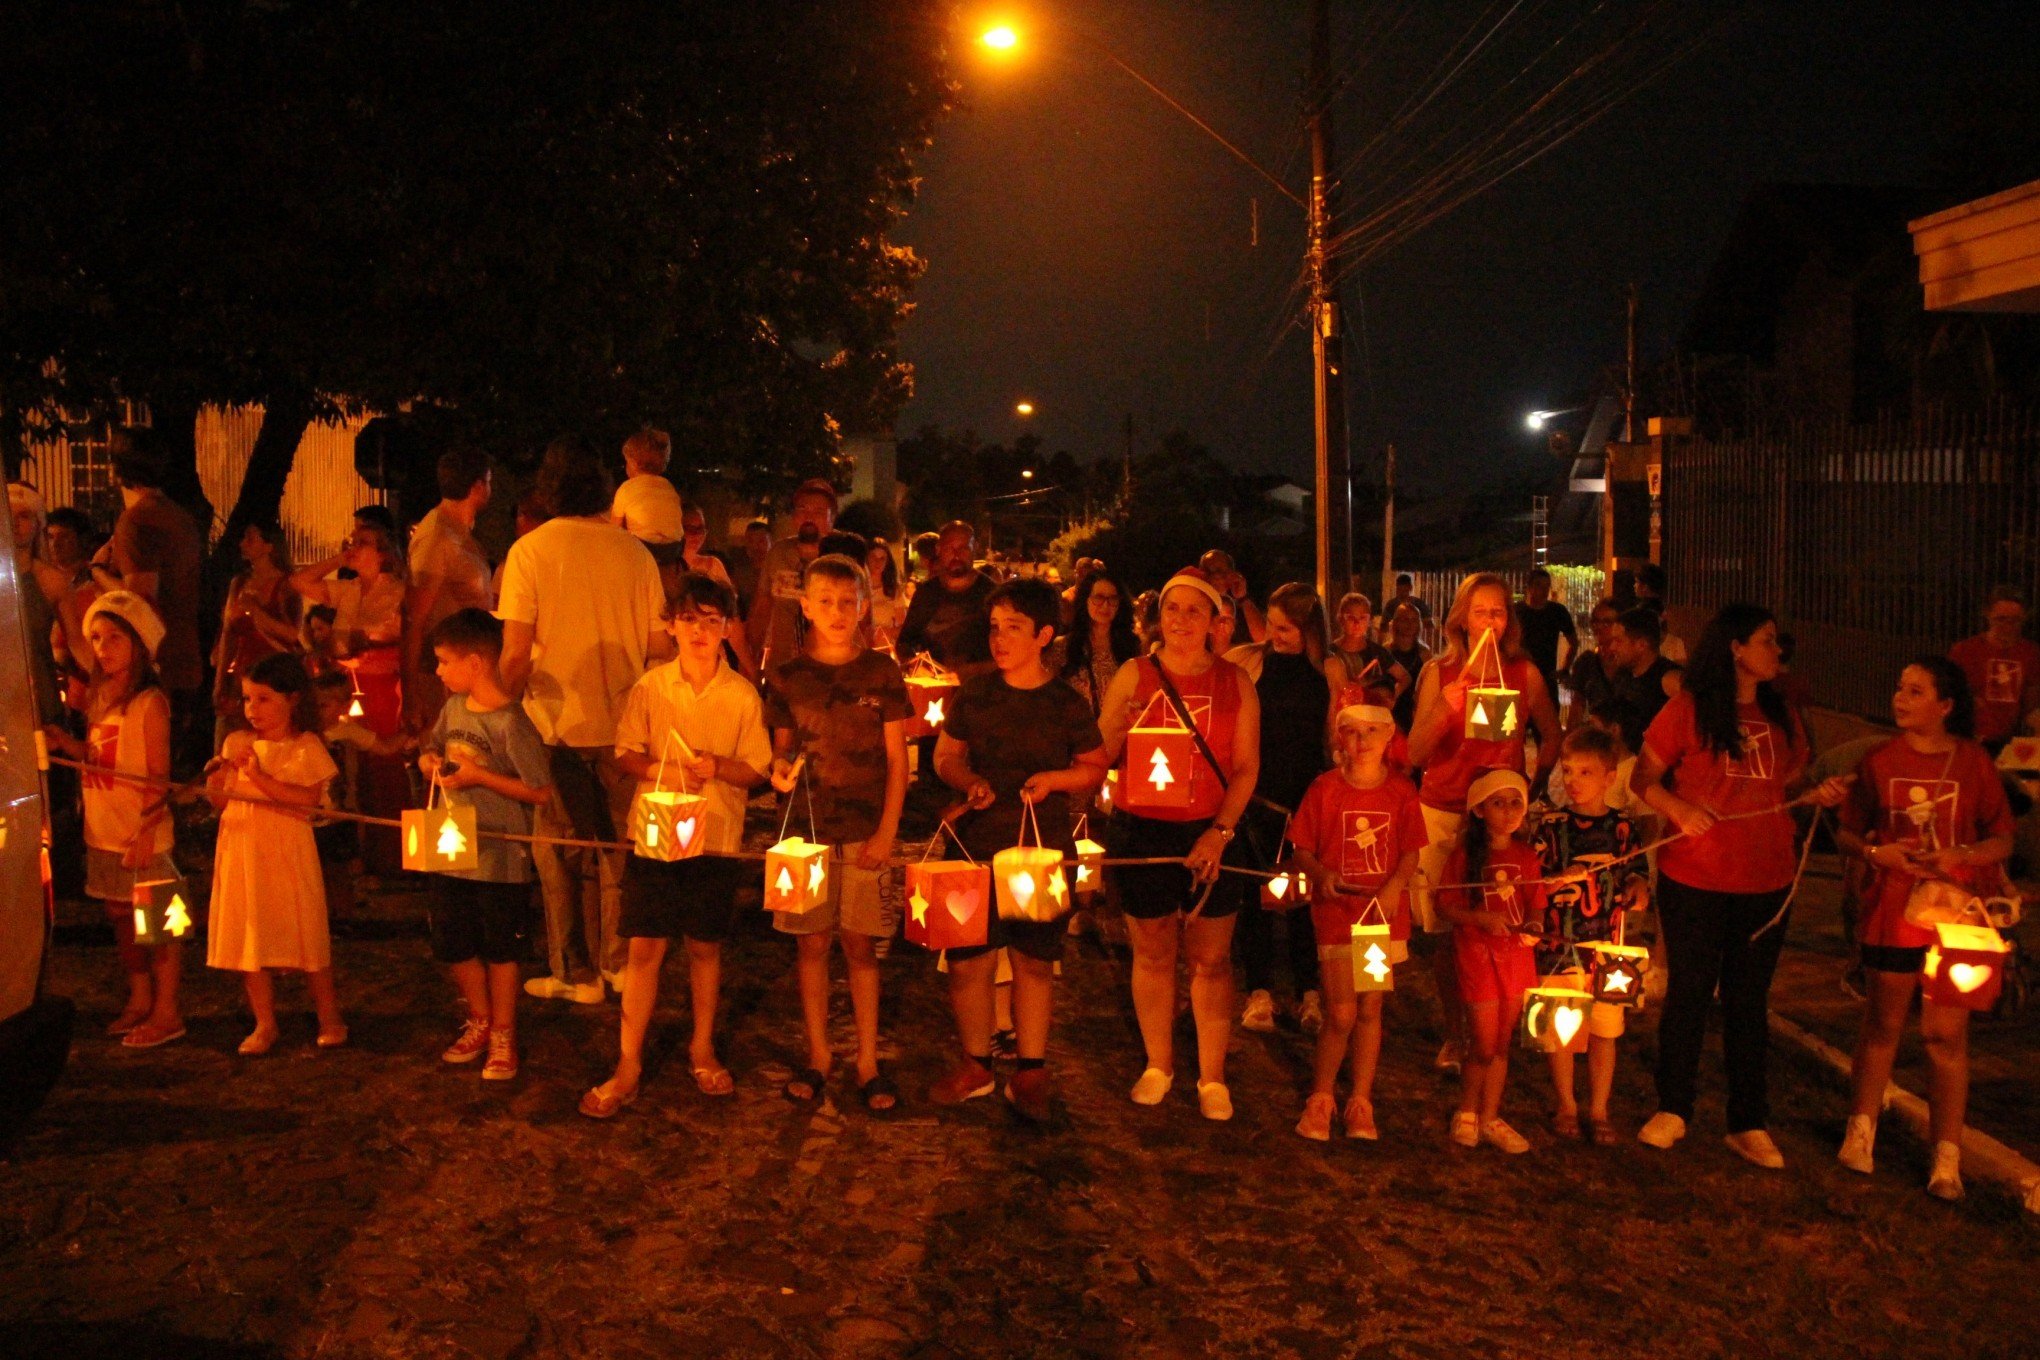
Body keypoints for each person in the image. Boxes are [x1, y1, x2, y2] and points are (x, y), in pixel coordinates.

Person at [1629, 603, 1851, 1168]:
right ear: (1735, 648)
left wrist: (1817, 795)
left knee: (1749, 1002)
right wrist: (1680, 808)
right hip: (1697, 877)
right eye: (1768, 640)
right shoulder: (1689, 709)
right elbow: (1644, 778)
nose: (1778, 651)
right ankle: (1673, 1106)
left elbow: (1789, 779)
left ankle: (1748, 1120)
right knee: (1690, 993)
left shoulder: (1783, 713)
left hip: (1767, 878)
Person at [580, 573, 772, 1118]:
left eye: (712, 621)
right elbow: (625, 753)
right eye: (689, 619)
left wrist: (717, 769)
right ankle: (628, 1062)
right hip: (657, 838)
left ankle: (702, 1045)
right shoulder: (651, 687)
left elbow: (755, 768)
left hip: (714, 838)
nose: (700, 631)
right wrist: (662, 771)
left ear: (727, 628)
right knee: (644, 947)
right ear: (670, 625)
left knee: (705, 946)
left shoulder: (739, 695)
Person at [928, 578, 1108, 1120]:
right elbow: (946, 756)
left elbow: (1095, 766)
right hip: (973, 845)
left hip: (1038, 850)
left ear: (1044, 635)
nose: (999, 639)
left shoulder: (1065, 704)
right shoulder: (975, 693)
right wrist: (967, 781)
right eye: (994, 627)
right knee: (969, 961)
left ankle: (1031, 1071)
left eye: (1013, 628)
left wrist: (1053, 779)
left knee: (1033, 960)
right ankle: (977, 1063)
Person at [1833, 658, 2011, 1201]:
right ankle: (1860, 1131)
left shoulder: (1974, 763)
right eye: (1899, 688)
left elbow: (2002, 838)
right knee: (1883, 1023)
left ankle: (1946, 1156)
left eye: (1915, 691)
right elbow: (1846, 831)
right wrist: (1874, 851)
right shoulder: (1879, 760)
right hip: (1893, 912)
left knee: (1945, 1034)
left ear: (1946, 705)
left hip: (1956, 918)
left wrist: (1962, 853)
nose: (1900, 698)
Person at [499, 437, 669, 1006]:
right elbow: (658, 650)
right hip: (625, 726)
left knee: (558, 854)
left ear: (548, 491)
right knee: (620, 848)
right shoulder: (635, 554)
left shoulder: (529, 552)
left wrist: (500, 708)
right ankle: (618, 963)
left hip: (554, 727)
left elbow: (516, 654)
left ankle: (576, 973)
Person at [1095, 568, 1263, 1120]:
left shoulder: (1236, 682)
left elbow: (1244, 768)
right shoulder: (1134, 674)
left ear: (1216, 621)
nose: (1182, 621)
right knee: (1153, 949)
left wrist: (1219, 834)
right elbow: (1101, 750)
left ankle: (1212, 1075)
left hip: (1211, 828)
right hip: (1143, 827)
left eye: (1195, 611)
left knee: (1211, 958)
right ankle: (1158, 1062)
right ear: (1158, 617)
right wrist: (1122, 727)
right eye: (1173, 610)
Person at [765, 553, 911, 1113]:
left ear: (864, 606)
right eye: (824, 601)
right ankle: (820, 1054)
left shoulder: (881, 673)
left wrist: (887, 832)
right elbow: (781, 752)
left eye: (847, 602)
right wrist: (778, 772)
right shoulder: (787, 677)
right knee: (811, 944)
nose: (836, 612)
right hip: (807, 834)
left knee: (861, 945)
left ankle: (868, 1058)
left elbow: (899, 761)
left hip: (864, 828)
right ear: (805, 607)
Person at [1407, 573, 1561, 1074]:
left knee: (1499, 925)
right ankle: (1457, 1034)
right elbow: (1414, 752)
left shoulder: (1524, 674)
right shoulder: (1440, 671)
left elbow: (1552, 734)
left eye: (1498, 612)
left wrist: (1528, 789)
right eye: (1480, 612)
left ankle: (1492, 1030)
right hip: (1446, 809)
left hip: (1499, 821)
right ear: (1461, 620)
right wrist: (1446, 706)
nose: (1490, 622)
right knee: (1450, 933)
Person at [40, 591, 183, 1048]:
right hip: (104, 830)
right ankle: (140, 997)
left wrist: (147, 829)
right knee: (122, 917)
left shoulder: (150, 703)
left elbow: (158, 774)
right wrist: (71, 746)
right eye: (97, 638)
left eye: (115, 638)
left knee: (159, 923)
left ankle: (167, 1010)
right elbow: (106, 760)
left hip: (141, 833)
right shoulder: (101, 697)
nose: (103, 648)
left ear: (139, 643)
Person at [416, 609, 553, 1082]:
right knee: (454, 940)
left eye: (443, 661)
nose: (438, 671)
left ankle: (503, 1030)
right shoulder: (454, 708)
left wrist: (481, 778)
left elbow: (539, 791)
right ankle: (478, 1017)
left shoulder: (512, 722)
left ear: (474, 663)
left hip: (498, 856)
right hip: (449, 845)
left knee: (500, 946)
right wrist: (429, 761)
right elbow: (431, 747)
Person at [1286, 703, 1424, 1141]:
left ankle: (1360, 1100)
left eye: (1372, 732)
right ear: (1339, 740)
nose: (1362, 742)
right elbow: (1302, 848)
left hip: (1378, 922)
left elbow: (1409, 851)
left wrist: (1393, 888)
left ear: (1388, 739)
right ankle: (1322, 1095)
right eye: (1352, 732)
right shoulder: (1324, 790)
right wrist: (1322, 875)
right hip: (1338, 918)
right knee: (1341, 1011)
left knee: (1369, 1008)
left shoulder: (1401, 793)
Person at [205, 652, 347, 1054]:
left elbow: (306, 802)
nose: (254, 709)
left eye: (264, 699)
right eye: (248, 699)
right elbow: (221, 801)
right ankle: (265, 1023)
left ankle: (329, 1017)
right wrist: (219, 776)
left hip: (286, 849)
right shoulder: (237, 741)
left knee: (304, 933)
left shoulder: (305, 746)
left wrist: (258, 777)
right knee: (252, 931)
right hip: (243, 847)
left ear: (293, 699)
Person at [1532, 725, 1648, 1145]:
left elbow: (1637, 872)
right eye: (1567, 771)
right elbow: (1534, 879)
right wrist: (1556, 881)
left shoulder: (1622, 829)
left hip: (1608, 949)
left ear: (1609, 777)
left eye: (1585, 772)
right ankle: (1566, 1102)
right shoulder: (1551, 826)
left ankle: (1599, 1107)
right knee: (1562, 1027)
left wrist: (1637, 887)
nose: (1573, 781)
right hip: (1559, 945)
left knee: (1605, 1028)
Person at [1225, 583, 1332, 1035]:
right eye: (1270, 624)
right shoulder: (1252, 662)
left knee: (1308, 900)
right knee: (1256, 897)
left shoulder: (1328, 671)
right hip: (1260, 796)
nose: (1275, 635)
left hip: (1307, 798)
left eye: (1285, 627)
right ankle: (1260, 990)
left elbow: (1332, 738)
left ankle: (1310, 992)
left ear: (1308, 629)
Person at [1435, 768, 1544, 1154]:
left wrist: (1533, 924)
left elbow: (1535, 901)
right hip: (1479, 958)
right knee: (1482, 1041)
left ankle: (1490, 1115)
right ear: (1479, 810)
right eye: (1498, 803)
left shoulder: (1527, 857)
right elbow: (1446, 904)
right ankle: (1467, 1110)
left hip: (1515, 959)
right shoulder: (1465, 858)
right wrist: (1480, 918)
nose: (1509, 811)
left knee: (1501, 1042)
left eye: (1516, 802)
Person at [291, 520, 409, 874]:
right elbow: (300, 582)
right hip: (342, 689)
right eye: (352, 541)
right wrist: (339, 557)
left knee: (382, 765)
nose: (354, 546)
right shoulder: (347, 590)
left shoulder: (400, 591)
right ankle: (361, 856)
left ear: (383, 553)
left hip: (381, 686)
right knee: (349, 773)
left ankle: (395, 857)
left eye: (363, 542)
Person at [95, 442, 205, 768]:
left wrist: (98, 572)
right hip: (186, 655)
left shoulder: (136, 521)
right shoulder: (182, 518)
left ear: (119, 474)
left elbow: (139, 599)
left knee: (141, 770)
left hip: (154, 664)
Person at [403, 446, 495, 730]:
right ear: (478, 486)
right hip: (442, 680)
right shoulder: (437, 538)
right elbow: (414, 619)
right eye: (490, 482)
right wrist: (411, 694)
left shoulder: (458, 533)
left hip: (470, 676)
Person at [212, 520, 299, 738]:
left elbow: (293, 634)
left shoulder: (286, 585)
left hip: (271, 673)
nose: (243, 543)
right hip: (242, 670)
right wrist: (220, 680)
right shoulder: (239, 583)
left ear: (270, 546)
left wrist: (256, 611)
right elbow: (228, 632)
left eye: (251, 538)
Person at [745, 478, 838, 675]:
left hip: (834, 671)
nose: (809, 517)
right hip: (784, 668)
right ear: (794, 516)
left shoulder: (846, 554)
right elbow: (762, 608)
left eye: (819, 512)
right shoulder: (778, 554)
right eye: (803, 509)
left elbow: (864, 619)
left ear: (832, 519)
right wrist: (749, 661)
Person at [1948, 586, 2040, 754]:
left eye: (2015, 620)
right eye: (2001, 619)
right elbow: (1950, 695)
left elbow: (2030, 704)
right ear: (1987, 615)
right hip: (1969, 738)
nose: (2007, 626)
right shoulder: (1965, 651)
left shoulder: (2031, 653)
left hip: (2009, 739)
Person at [896, 520, 995, 674]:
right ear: (939, 549)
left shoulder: (991, 593)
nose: (956, 555)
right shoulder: (926, 594)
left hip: (979, 689)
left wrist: (968, 671)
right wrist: (916, 665)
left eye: (963, 548)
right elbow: (905, 642)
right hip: (934, 686)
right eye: (949, 548)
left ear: (974, 548)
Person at [1058, 570, 1139, 717]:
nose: (1105, 606)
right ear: (1085, 600)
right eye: (1098, 598)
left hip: (1119, 734)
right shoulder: (1063, 647)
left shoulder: (1133, 646)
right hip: (1079, 735)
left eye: (1112, 599)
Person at [1602, 607, 1683, 754]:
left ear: (1641, 645)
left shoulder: (1669, 679)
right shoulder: (1623, 675)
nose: (1612, 647)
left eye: (1618, 641)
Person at [1325, 592, 1410, 719]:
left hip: (1370, 717)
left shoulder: (1377, 652)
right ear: (1340, 619)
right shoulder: (1330, 653)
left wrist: (1390, 698)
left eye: (1362, 618)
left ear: (1369, 621)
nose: (1356, 623)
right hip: (1339, 716)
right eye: (1350, 618)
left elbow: (1405, 677)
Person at [610, 428, 686, 545]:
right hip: (674, 547)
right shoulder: (668, 486)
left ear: (634, 463)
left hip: (644, 545)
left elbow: (615, 529)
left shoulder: (626, 488)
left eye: (627, 462)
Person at [1514, 568, 1577, 698]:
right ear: (1529, 587)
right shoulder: (1516, 612)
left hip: (1547, 677)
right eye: (1539, 585)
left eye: (1547, 586)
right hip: (1520, 675)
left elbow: (1574, 642)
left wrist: (1565, 669)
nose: (1544, 590)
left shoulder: (1557, 612)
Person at [1565, 600, 1624, 728]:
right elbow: (1577, 705)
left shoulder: (1629, 661)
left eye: (1607, 622)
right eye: (1595, 621)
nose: (1598, 627)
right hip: (1597, 736)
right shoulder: (1586, 662)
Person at [1381, 600, 1430, 733]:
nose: (1409, 624)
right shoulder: (1385, 651)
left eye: (1414, 620)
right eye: (1404, 619)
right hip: (1390, 710)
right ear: (1395, 622)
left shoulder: (1425, 654)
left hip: (1414, 712)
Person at [1198, 549, 1266, 643]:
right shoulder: (1194, 603)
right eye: (1209, 572)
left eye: (1220, 571)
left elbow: (1265, 641)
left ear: (1232, 573)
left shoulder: (1244, 607)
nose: (1216, 576)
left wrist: (1243, 598)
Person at [728, 517, 773, 619]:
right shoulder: (738, 573)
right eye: (750, 541)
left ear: (771, 542)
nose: (755, 547)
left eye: (761, 541)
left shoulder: (778, 573)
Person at [865, 538, 904, 651]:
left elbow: (902, 627)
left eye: (882, 558)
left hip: (884, 650)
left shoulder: (893, 590)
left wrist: (887, 632)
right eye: (874, 557)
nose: (878, 562)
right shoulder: (859, 588)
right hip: (862, 650)